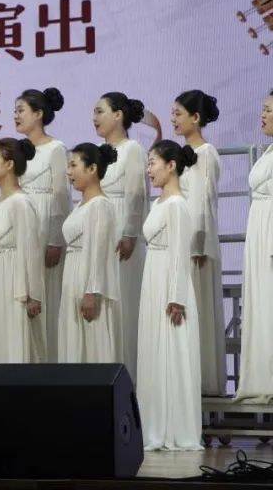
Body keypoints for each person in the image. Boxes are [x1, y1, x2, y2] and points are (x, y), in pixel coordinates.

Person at [138, 140, 202, 451]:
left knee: (172, 352)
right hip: (153, 276)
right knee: (153, 350)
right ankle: (153, 425)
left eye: (153, 162)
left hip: (169, 284)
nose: (148, 169)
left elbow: (179, 253)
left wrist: (176, 298)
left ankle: (175, 428)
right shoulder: (158, 203)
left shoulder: (177, 205)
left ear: (171, 165)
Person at [94, 92, 155, 381]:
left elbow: (136, 194)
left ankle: (127, 374)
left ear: (118, 115)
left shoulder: (133, 150)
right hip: (100, 230)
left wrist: (131, 233)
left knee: (123, 303)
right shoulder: (96, 150)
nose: (95, 118)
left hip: (121, 234)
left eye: (100, 111)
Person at [173, 89, 226, 396]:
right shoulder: (182, 154)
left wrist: (199, 244)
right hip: (182, 241)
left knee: (198, 310)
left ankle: (204, 382)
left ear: (196, 117)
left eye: (179, 114)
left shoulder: (206, 152)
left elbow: (203, 202)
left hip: (197, 246)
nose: (173, 119)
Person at [15, 87, 70, 361]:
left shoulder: (55, 149)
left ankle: (49, 361)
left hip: (45, 229)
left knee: (46, 297)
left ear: (38, 114)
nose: (16, 116)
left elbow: (61, 196)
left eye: (21, 110)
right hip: (23, 227)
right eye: (15, 111)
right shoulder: (18, 150)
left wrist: (56, 239)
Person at [0, 138, 46, 364]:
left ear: (9, 165)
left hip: (16, 285)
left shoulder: (21, 203)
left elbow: (31, 251)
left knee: (17, 346)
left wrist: (33, 295)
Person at [59, 143, 121, 363]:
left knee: (93, 346)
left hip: (87, 283)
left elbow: (98, 252)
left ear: (92, 168)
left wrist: (91, 292)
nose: (69, 172)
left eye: (74, 165)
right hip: (72, 278)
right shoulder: (82, 205)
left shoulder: (100, 205)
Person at [236, 90, 273, 400]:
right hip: (260, 227)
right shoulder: (268, 151)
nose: (263, 115)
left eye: (269, 110)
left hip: (270, 230)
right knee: (260, 301)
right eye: (263, 109)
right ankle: (261, 379)